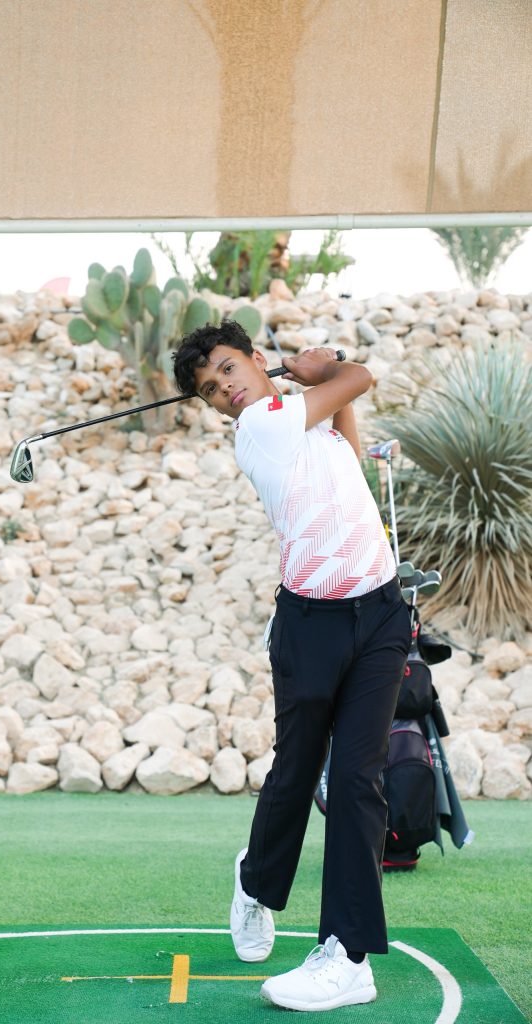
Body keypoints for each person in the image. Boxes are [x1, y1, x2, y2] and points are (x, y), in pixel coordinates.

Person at [172, 320, 412, 1013]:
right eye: (210, 389)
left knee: (359, 781)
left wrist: (326, 383)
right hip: (311, 626)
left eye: (228, 369)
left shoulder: (302, 421)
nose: (224, 389)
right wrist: (326, 370)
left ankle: (347, 955)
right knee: (297, 769)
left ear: (255, 359)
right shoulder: (260, 427)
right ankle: (257, 881)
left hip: (380, 612)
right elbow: (360, 376)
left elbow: (351, 461)